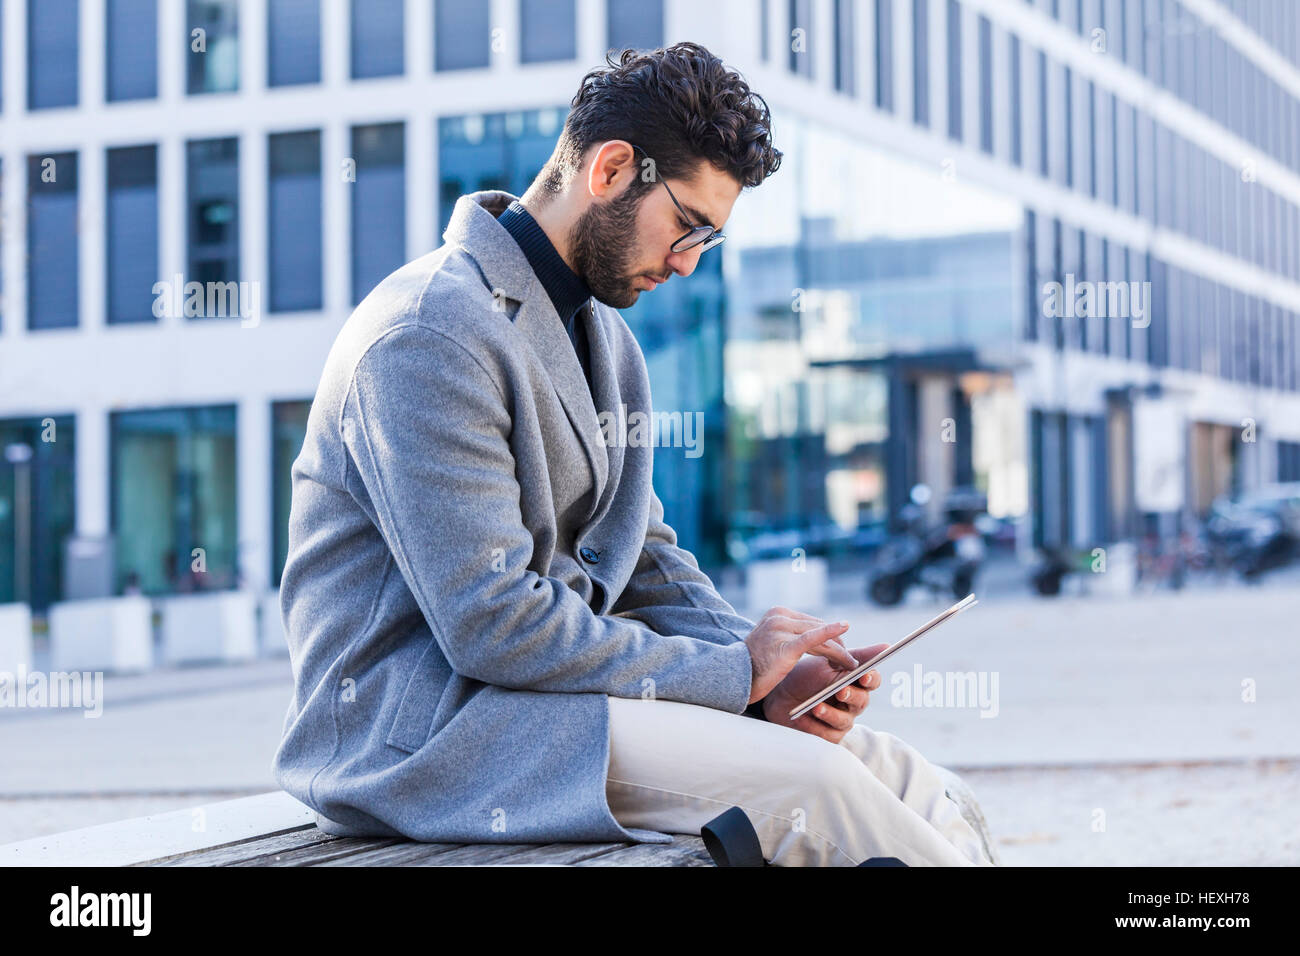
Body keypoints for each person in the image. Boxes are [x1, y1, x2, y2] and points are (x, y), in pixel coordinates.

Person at [273, 42, 991, 866]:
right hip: (429, 733)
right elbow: (493, 626)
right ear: (611, 170)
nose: (687, 264)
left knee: (912, 780)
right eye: (688, 227)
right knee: (818, 795)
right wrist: (734, 676)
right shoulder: (426, 335)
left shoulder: (606, 341)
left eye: (708, 242)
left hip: (555, 706)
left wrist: (772, 681)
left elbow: (644, 558)